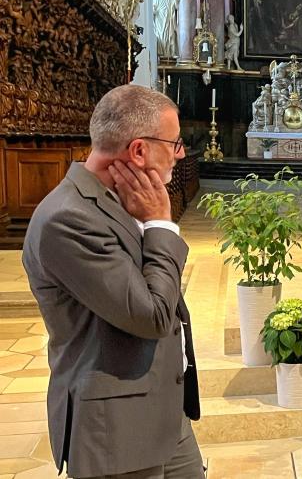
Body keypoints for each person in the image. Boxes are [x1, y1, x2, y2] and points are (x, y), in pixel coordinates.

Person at [21, 85, 202, 479]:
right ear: (138, 151)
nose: (180, 153)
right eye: (174, 143)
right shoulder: (67, 219)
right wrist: (159, 223)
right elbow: (151, 315)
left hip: (161, 407)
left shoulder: (121, 199)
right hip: (116, 428)